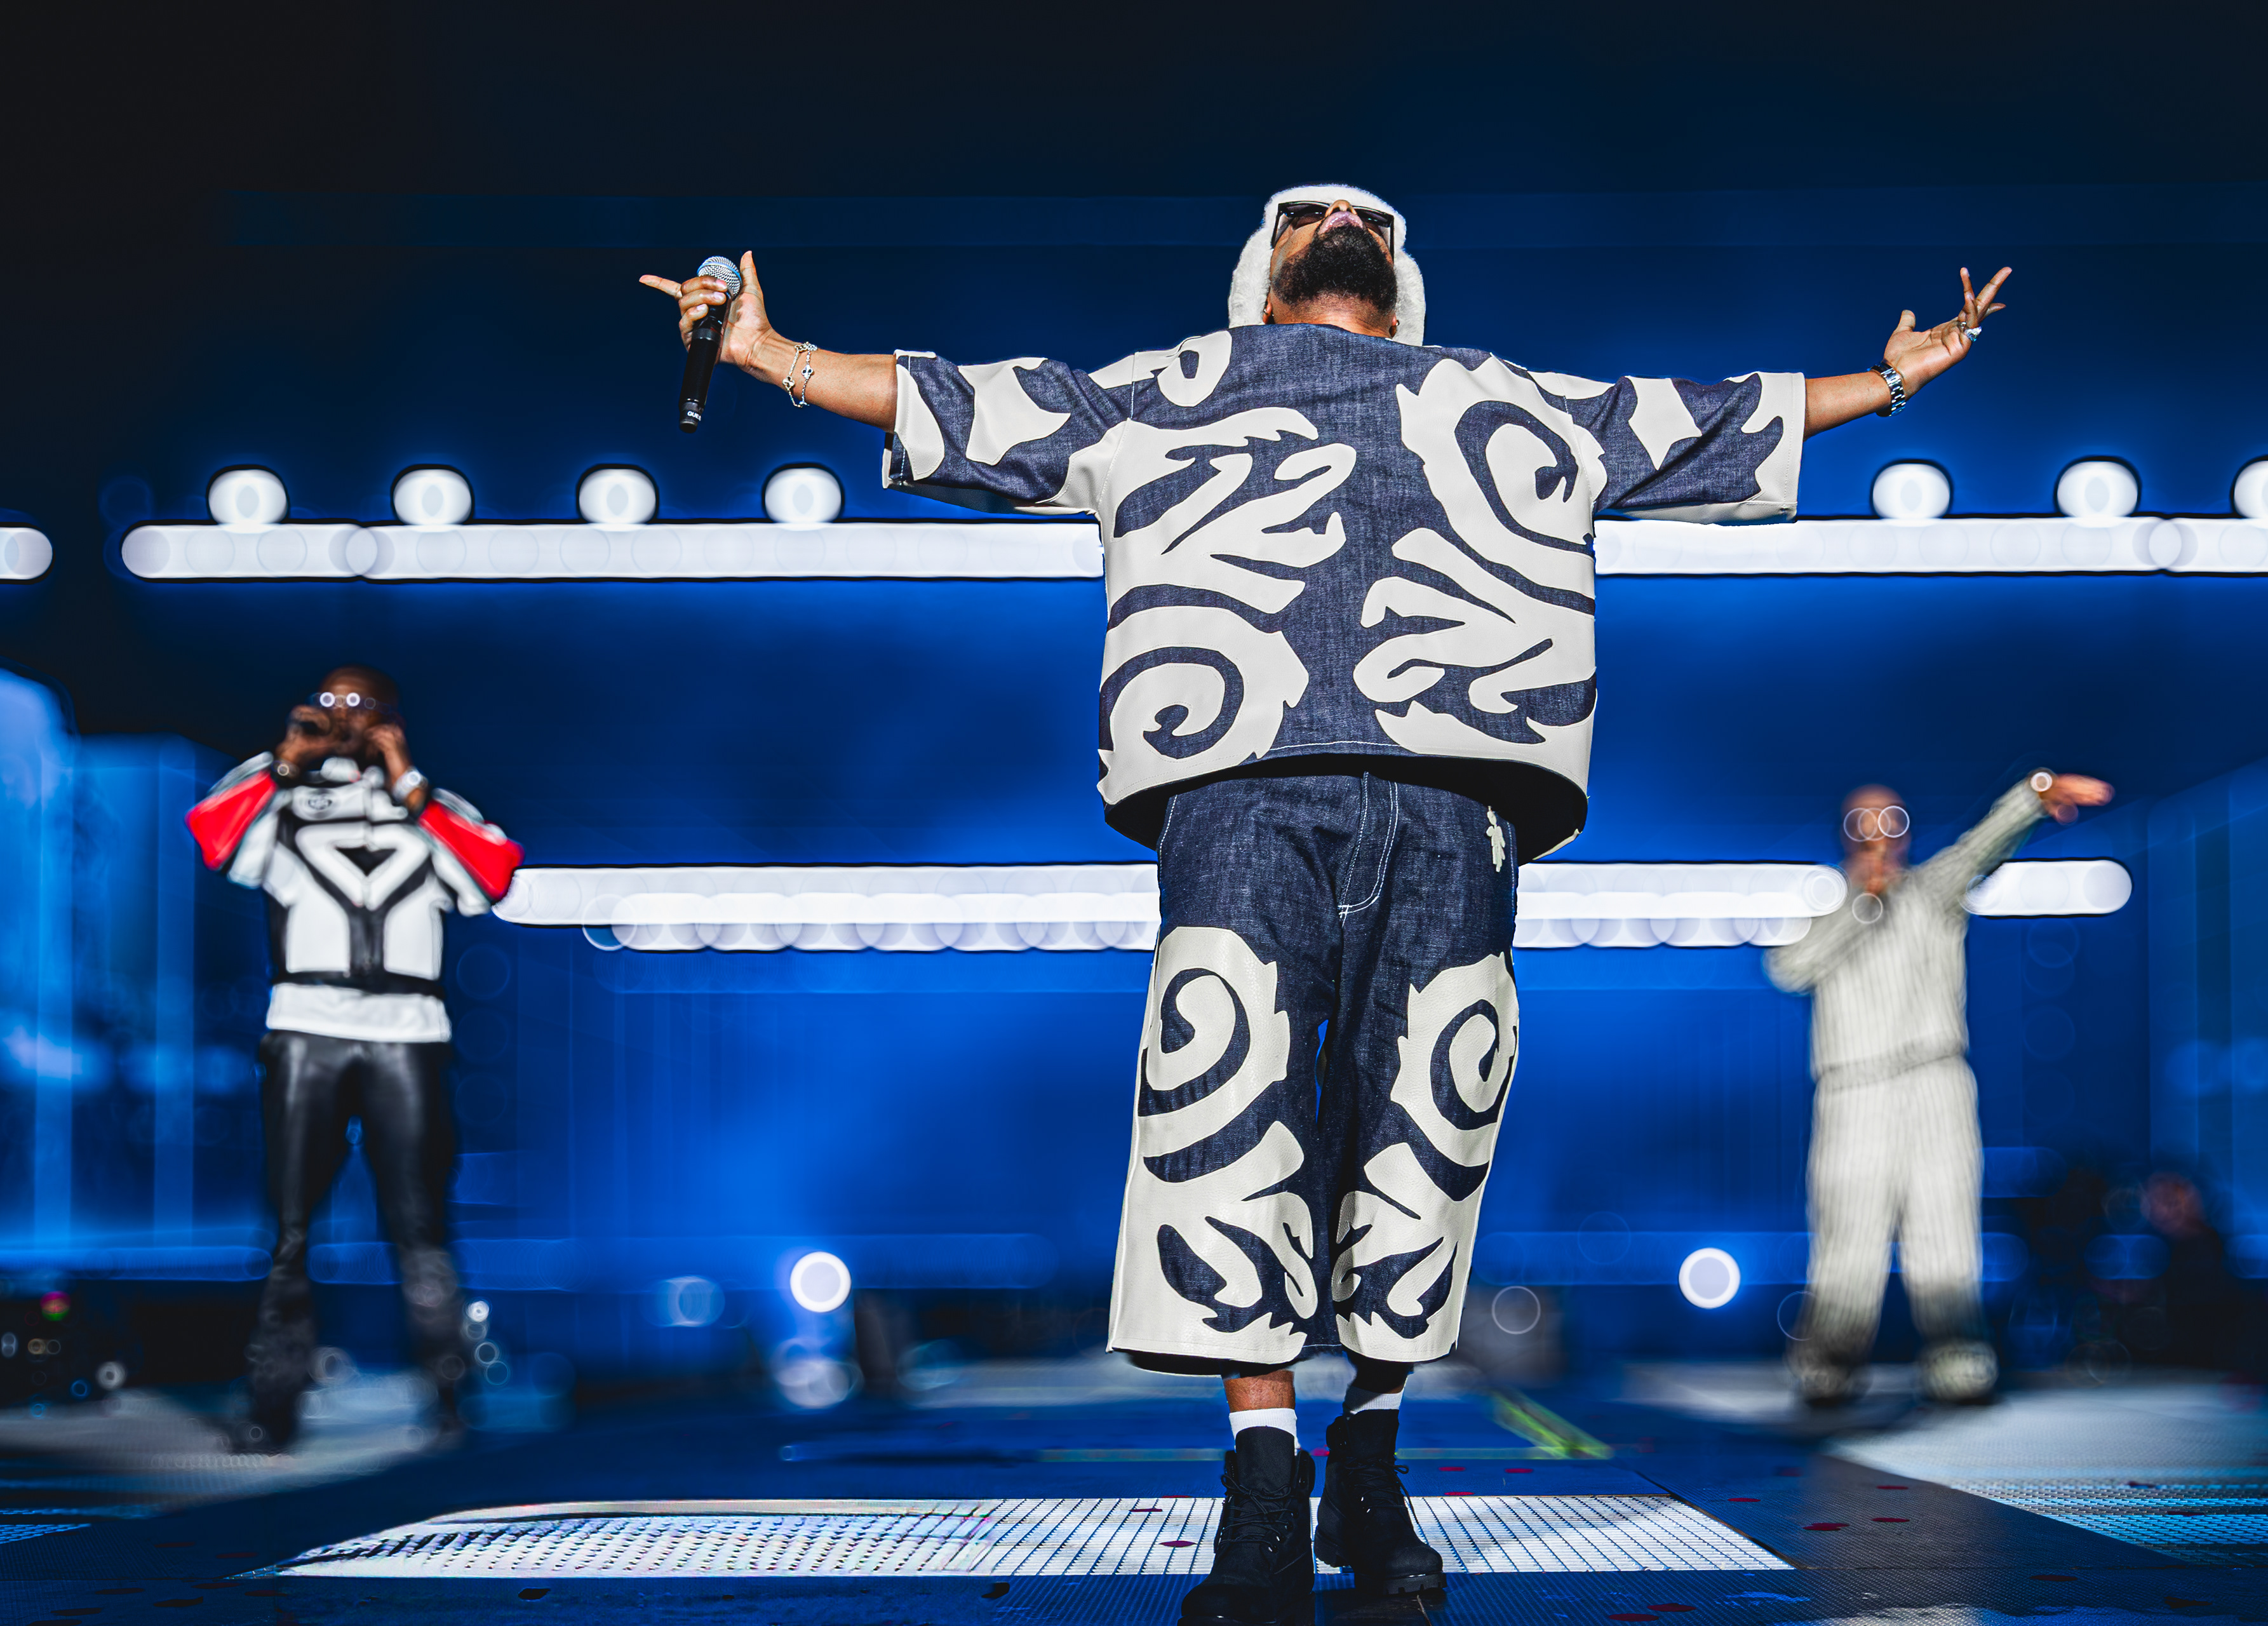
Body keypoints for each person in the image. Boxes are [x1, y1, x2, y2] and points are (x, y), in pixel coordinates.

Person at [645, 186, 2009, 1623]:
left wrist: (1891, 383)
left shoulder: (1498, 395)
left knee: (1421, 1114)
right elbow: (966, 405)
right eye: (1307, 216)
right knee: (1225, 1103)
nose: (1340, 221)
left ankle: (1366, 1444)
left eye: (1366, 218)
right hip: (1239, 779)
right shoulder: (1172, 388)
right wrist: (766, 353)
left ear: (1399, 276)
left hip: (1455, 792)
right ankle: (1256, 1471)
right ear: (1266, 268)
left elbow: (1691, 419)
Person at [184, 667, 523, 1451]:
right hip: (307, 1024)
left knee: (421, 1223)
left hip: (410, 1029)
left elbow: (495, 869)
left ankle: (449, 1400)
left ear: (393, 715)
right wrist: (281, 761)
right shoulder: (281, 798)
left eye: (362, 704)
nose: (346, 718)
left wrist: (407, 780)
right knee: (292, 1228)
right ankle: (274, 1405)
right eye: (331, 703)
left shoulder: (431, 809)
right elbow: (211, 833)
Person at [1767, 770, 2110, 1408]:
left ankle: (1957, 1358)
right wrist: (1862, 904)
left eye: (1890, 822)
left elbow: (1983, 847)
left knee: (1945, 1226)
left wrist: (2030, 798)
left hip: (1935, 1079)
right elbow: (1789, 970)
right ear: (1843, 835)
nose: (1877, 836)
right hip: (1854, 1089)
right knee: (1847, 1231)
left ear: (1907, 831)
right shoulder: (1825, 914)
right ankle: (1830, 1363)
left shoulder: (1934, 893)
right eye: (1862, 824)